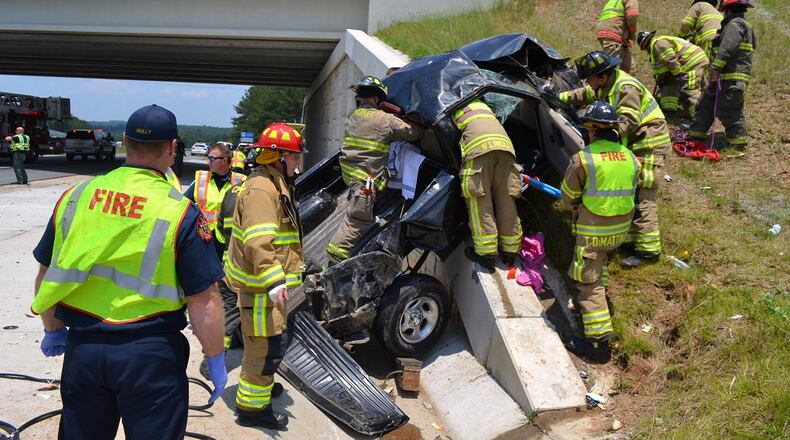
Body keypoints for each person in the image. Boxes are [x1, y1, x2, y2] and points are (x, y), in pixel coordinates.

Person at [30, 104, 227, 440]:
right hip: (151, 355)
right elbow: (205, 301)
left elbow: (48, 272)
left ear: (124, 140)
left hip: (85, 350)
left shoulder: (76, 197)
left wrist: (52, 327)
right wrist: (216, 357)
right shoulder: (179, 212)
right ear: (172, 148)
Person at [553, 51, 669, 267]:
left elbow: (627, 121)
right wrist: (559, 98)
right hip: (633, 143)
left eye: (590, 77)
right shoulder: (605, 84)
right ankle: (632, 241)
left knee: (643, 194)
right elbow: (585, 94)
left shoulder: (626, 88)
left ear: (603, 77)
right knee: (631, 191)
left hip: (648, 143)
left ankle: (648, 251)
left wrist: (602, 137)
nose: (588, 82)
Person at [224, 122, 306, 429]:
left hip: (263, 285)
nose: (299, 162)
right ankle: (252, 410)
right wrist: (274, 281)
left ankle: (261, 385)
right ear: (278, 156)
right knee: (264, 347)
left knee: (266, 343)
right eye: (295, 156)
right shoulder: (262, 189)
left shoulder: (274, 182)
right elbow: (259, 241)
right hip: (260, 287)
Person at [560, 101, 641, 360]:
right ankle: (601, 305)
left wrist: (576, 207)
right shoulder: (630, 156)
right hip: (620, 231)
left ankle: (597, 344)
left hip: (594, 230)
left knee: (587, 281)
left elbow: (568, 197)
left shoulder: (583, 159)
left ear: (593, 131)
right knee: (599, 263)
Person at [326, 76, 422, 264]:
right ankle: (334, 262)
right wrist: (406, 118)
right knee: (359, 221)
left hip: (350, 174)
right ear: (378, 98)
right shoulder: (385, 119)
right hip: (365, 181)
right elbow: (413, 133)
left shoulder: (353, 117)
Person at [454, 99, 523, 271]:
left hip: (478, 149)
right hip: (506, 147)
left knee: (480, 201)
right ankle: (511, 251)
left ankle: (486, 254)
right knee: (506, 200)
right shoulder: (483, 104)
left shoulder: (452, 106)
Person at [688, 0, 755, 150]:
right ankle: (695, 135)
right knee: (706, 104)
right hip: (722, 77)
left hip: (731, 78)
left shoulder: (735, 24)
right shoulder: (738, 24)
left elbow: (727, 48)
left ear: (728, 9)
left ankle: (738, 146)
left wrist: (715, 67)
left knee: (729, 110)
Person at [184, 142, 246, 259]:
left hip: (228, 239)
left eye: (212, 158)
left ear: (224, 160)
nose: (208, 162)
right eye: (208, 158)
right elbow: (183, 203)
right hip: (202, 236)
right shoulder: (201, 180)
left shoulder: (241, 182)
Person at [636, 31, 709, 118]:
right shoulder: (657, 43)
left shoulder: (657, 45)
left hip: (691, 62)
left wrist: (679, 74)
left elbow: (670, 60)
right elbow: (664, 66)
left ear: (644, 45)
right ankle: (706, 111)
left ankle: (697, 119)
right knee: (703, 87)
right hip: (696, 59)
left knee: (690, 90)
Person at [596, 0, 639, 73]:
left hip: (608, 34)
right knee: (612, 69)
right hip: (614, 34)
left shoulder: (613, 1)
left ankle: (628, 81)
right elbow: (632, 16)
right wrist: (632, 35)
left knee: (629, 69)